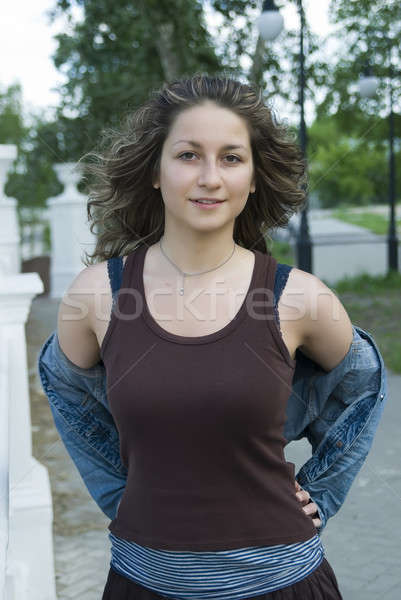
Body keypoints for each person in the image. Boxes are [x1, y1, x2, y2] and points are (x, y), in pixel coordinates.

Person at [42, 74, 386, 599]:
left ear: (253, 177)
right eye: (187, 155)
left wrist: (324, 488)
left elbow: (364, 383)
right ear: (156, 171)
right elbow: (63, 386)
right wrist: (120, 490)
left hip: (285, 583)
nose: (209, 177)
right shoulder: (97, 297)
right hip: (143, 585)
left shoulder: (298, 297)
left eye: (230, 158)